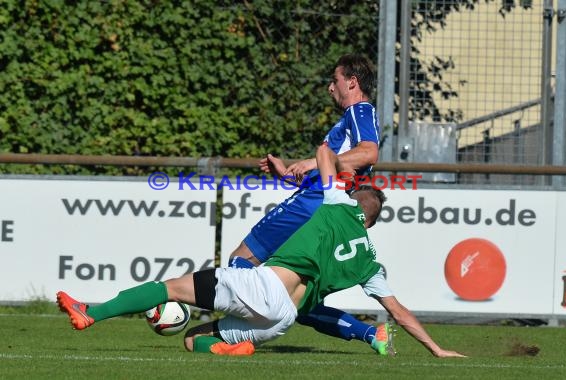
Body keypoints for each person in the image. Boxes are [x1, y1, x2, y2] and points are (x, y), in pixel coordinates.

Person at [57, 144, 466, 359]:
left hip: (262, 287)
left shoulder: (339, 203)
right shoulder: (370, 263)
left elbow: (324, 151)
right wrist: (436, 348)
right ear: (372, 222)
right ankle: (235, 347)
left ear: (354, 198)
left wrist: (336, 169)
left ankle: (90, 312)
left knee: (170, 288)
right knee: (192, 342)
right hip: (283, 320)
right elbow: (399, 313)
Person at [227, 53, 387, 353]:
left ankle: (235, 334)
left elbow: (369, 152)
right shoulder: (350, 120)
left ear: (352, 82)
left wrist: (312, 161)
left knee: (240, 262)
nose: (330, 87)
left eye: (335, 80)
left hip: (310, 206)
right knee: (298, 300)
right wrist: (287, 173)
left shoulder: (359, 111)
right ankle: (371, 334)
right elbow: (334, 174)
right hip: (320, 206)